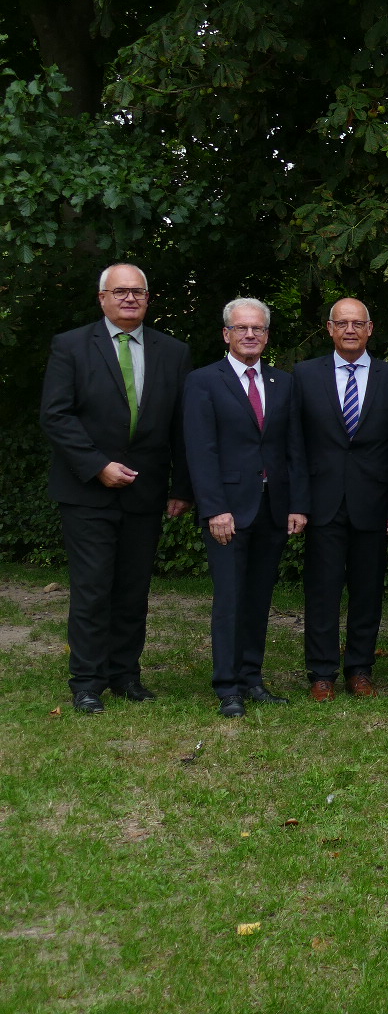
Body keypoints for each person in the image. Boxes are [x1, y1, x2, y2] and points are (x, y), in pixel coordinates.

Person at [40, 264, 193, 714]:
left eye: (138, 292)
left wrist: (182, 486)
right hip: (86, 490)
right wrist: (97, 466)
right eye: (120, 291)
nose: (129, 298)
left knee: (132, 590)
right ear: (102, 298)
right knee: (92, 589)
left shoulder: (173, 351)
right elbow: (56, 415)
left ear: (148, 299)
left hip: (145, 491)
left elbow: (182, 425)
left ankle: (125, 674)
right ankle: (87, 682)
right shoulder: (71, 345)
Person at [183, 298, 310, 717]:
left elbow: (294, 447)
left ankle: (252, 679)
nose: (250, 334)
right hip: (228, 512)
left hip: (273, 509)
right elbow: (200, 450)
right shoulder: (204, 381)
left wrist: (296, 504)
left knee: (258, 599)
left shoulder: (283, 382)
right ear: (227, 334)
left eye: (258, 328)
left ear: (267, 335)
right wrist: (214, 509)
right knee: (231, 599)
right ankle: (227, 686)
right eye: (241, 328)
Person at [295, 296, 388, 701]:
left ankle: (360, 669)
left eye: (357, 323)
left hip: (374, 505)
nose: (349, 330)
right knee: (322, 592)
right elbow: (295, 445)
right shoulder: (305, 375)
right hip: (322, 503)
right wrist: (298, 502)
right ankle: (321, 672)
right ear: (329, 329)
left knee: (367, 593)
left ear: (370, 329)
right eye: (341, 323)